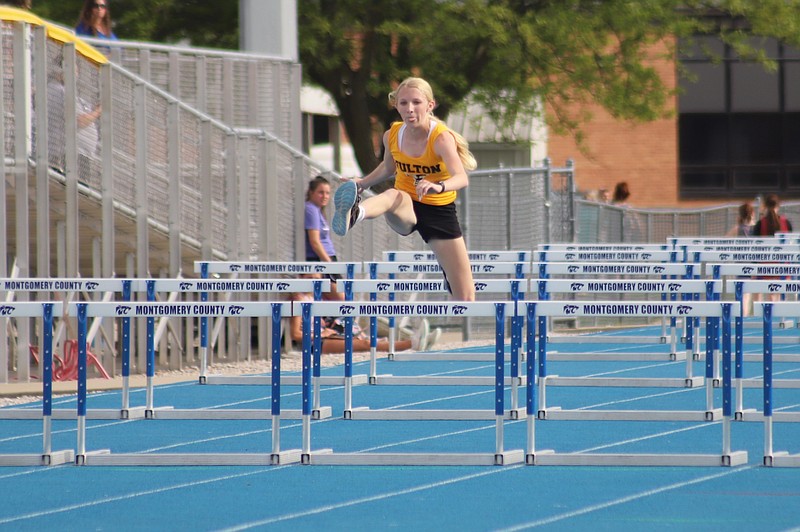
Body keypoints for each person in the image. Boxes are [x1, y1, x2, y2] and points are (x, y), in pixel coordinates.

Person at [331, 77, 476, 301]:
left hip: (439, 212)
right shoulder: (392, 135)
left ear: (430, 105)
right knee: (393, 195)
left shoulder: (440, 138)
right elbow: (388, 168)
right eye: (403, 103)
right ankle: (355, 213)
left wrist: (438, 186)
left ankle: (453, 282)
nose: (409, 109)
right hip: (407, 205)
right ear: (396, 106)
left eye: (416, 103)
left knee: (466, 297)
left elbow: (461, 178)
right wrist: (361, 183)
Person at [304, 175, 346, 301]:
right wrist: (329, 264)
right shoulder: (311, 209)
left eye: (327, 193)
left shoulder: (318, 210)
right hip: (322, 260)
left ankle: (331, 320)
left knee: (343, 298)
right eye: (320, 192)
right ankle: (331, 320)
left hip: (328, 258)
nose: (325, 196)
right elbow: (315, 241)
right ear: (311, 193)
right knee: (343, 299)